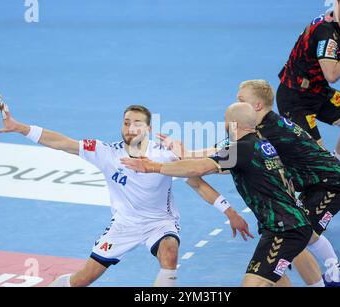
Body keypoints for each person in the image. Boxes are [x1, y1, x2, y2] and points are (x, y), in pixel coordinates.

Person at [0, 104, 252, 287]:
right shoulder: (106, 152)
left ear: (149, 129)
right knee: (82, 280)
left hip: (159, 223)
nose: (130, 128)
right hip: (123, 227)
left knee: (170, 252)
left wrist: (229, 212)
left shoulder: (165, 154)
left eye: (137, 123)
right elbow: (63, 142)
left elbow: (197, 183)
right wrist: (20, 128)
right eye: (126, 122)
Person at [122, 103, 317, 287]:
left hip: (285, 230)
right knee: (275, 278)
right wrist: (185, 154)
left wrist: (153, 167)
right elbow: (211, 167)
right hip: (288, 225)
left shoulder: (240, 149)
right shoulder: (258, 145)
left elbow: (199, 168)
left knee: (253, 283)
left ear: (233, 125)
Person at [237, 79, 340, 287]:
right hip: (314, 183)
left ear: (257, 105)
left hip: (333, 184)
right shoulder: (263, 125)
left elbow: (226, 154)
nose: (237, 104)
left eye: (241, 100)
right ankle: (332, 276)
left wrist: (186, 154)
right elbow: (230, 151)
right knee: (298, 234)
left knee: (303, 232)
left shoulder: (268, 130)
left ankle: (337, 275)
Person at [277, 0, 340, 160]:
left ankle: (336, 164)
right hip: (295, 98)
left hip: (319, 90)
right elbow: (332, 75)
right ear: (336, 3)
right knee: (317, 158)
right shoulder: (325, 32)